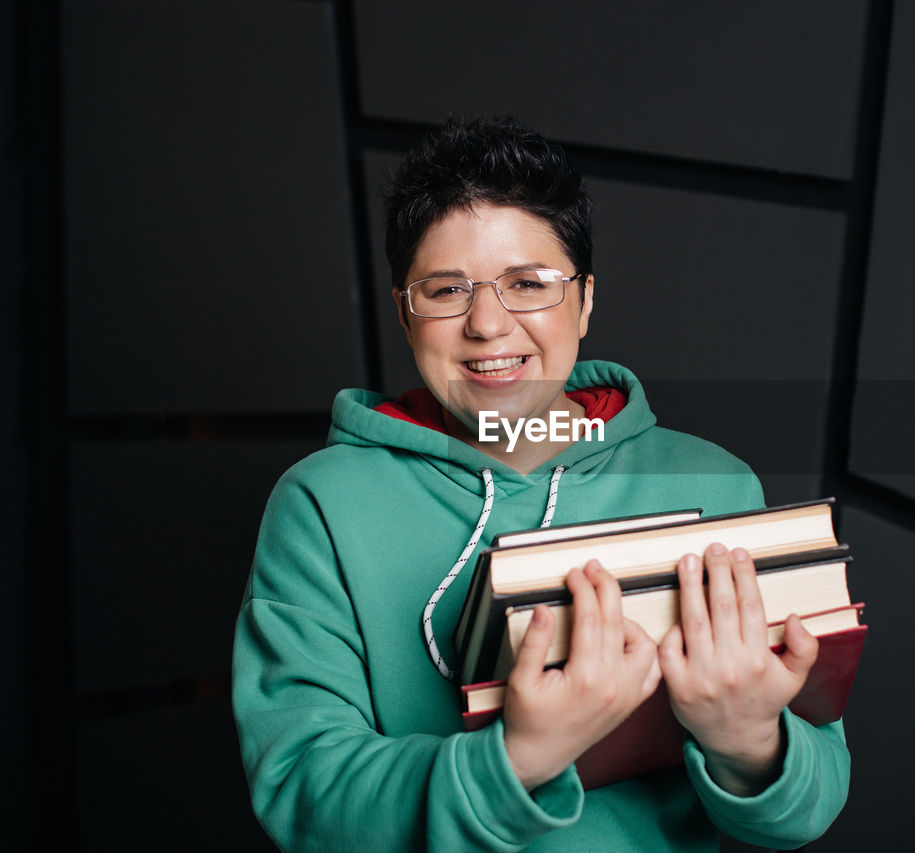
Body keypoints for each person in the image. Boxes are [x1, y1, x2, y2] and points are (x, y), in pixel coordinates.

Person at [232, 116, 850, 851]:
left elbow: (808, 807)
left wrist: (749, 740)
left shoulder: (713, 483)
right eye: (446, 289)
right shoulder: (322, 504)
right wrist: (516, 757)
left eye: (529, 284)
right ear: (404, 311)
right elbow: (302, 791)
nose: (488, 323)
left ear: (585, 301)